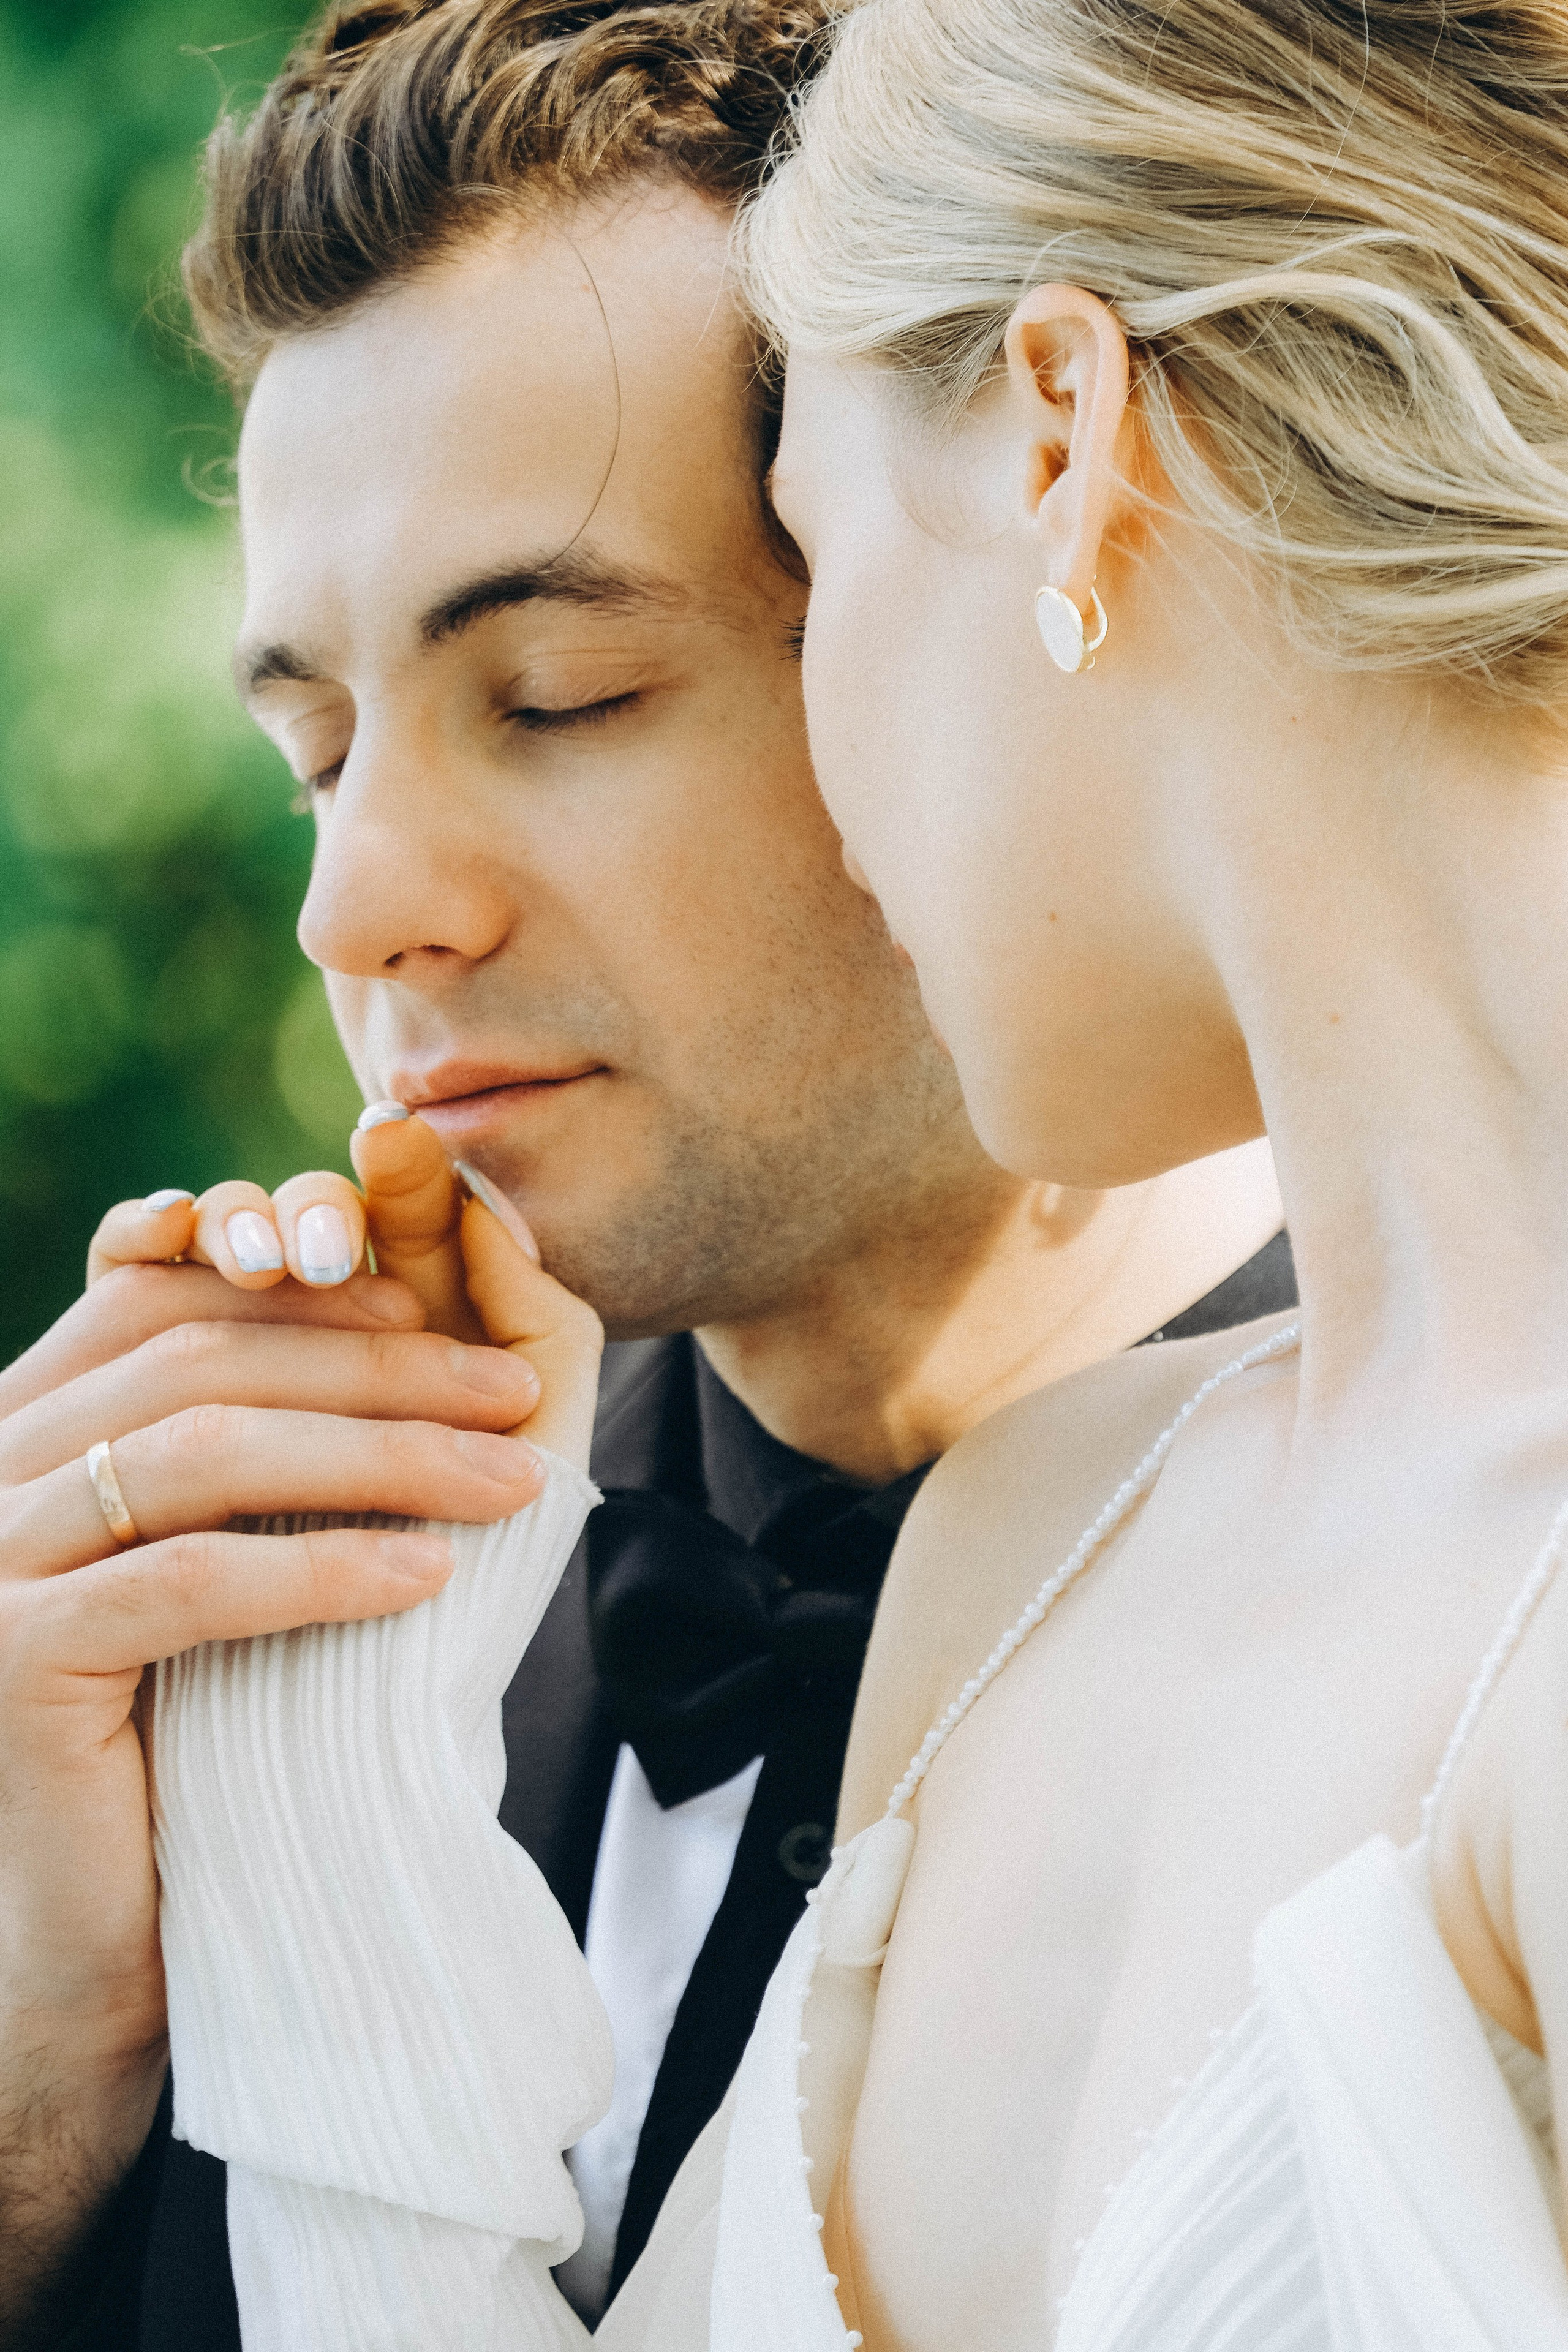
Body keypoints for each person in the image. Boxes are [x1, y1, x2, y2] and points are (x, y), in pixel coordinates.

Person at [0, 5, 1293, 2346]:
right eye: (313, 744)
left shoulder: (1463, 1593)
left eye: (560, 696)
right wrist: (50, 2059)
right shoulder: (278, 1669)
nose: (354, 899)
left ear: (972, 625)